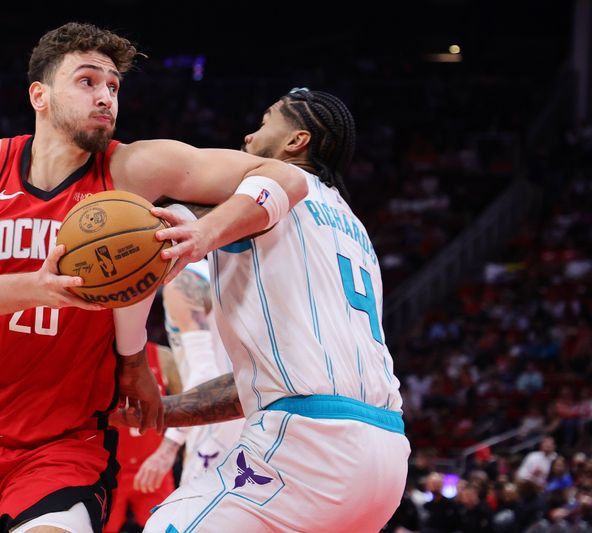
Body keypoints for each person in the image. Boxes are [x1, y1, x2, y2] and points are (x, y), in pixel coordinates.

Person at [0, 22, 306, 533]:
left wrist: (205, 233)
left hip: (66, 444)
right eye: (88, 81)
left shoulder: (134, 167)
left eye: (114, 87)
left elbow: (287, 177)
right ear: (40, 95)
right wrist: (37, 286)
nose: (105, 97)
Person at [124, 88, 411, 532]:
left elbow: (143, 234)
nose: (248, 134)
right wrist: (162, 409)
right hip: (386, 455)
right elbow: (267, 380)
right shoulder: (355, 230)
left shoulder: (263, 191)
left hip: (311, 443)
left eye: (264, 122)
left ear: (296, 142)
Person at [130, 259, 243, 494]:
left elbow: (205, 374)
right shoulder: (232, 271)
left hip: (215, 417)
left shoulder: (181, 283)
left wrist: (168, 448)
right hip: (253, 408)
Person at [105, 341, 175, 533]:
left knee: (168, 527)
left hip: (152, 466)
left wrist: (168, 452)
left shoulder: (163, 356)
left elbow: (184, 409)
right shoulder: (95, 356)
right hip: (109, 468)